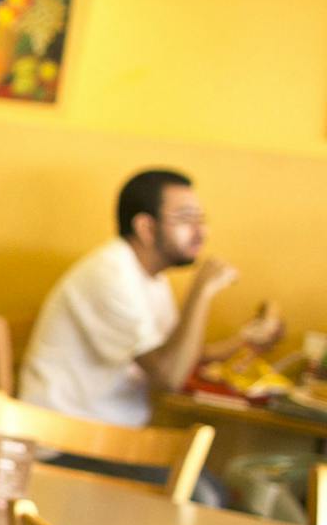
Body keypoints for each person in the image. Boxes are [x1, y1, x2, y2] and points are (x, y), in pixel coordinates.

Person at [20, 169, 283, 434]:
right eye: (186, 219)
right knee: (211, 459)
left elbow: (181, 356)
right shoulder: (111, 275)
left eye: (202, 219)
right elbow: (169, 378)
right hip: (64, 436)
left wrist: (246, 341)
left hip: (104, 433)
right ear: (146, 227)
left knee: (212, 458)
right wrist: (200, 292)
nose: (202, 231)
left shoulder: (150, 276)